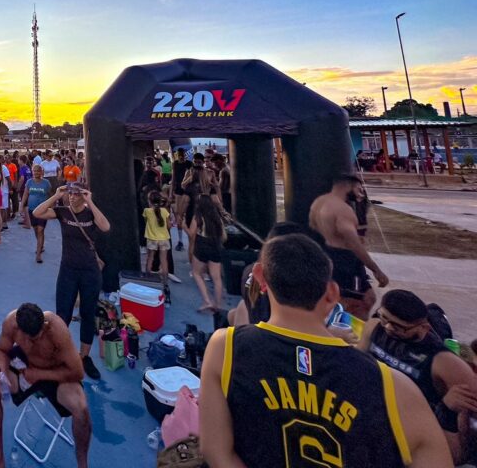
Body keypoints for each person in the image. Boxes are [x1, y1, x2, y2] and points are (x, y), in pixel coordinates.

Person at [199, 233, 451, 468]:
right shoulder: (394, 387)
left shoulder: (224, 348)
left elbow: (215, 451)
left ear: (260, 278)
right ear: (332, 294)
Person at [359, 290, 477, 464]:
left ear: (424, 327)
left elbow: (457, 454)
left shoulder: (446, 364)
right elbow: (358, 371)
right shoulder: (374, 327)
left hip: (417, 429)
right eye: (384, 318)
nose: (389, 328)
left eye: (399, 327)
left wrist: (445, 410)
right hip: (375, 417)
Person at [0, 303, 92, 468]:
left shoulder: (56, 329)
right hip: (25, 366)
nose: (34, 341)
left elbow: (78, 372)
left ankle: (83, 466)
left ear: (44, 325)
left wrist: (39, 374)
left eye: (38, 337)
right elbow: (1, 350)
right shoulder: (11, 322)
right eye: (30, 339)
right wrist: (2, 373)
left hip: (56, 372)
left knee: (81, 408)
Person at [31, 182, 110, 380]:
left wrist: (90, 201)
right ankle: (59, 353)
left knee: (88, 314)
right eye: (70, 194)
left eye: (76, 194)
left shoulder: (90, 213)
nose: (72, 197)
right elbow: (37, 213)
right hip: (68, 270)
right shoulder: (63, 212)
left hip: (90, 271)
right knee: (62, 315)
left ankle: (84, 357)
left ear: (83, 195)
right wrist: (56, 196)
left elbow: (105, 226)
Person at [309, 174, 388, 319]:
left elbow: (313, 227)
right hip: (346, 261)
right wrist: (376, 270)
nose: (361, 191)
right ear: (348, 185)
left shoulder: (319, 203)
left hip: (330, 253)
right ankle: (351, 329)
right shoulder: (343, 210)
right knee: (358, 302)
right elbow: (355, 244)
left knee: (367, 298)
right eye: (358, 187)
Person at [190, 193, 227, 313]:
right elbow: (224, 236)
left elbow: (191, 233)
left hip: (202, 245)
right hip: (215, 245)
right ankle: (218, 304)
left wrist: (184, 226)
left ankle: (207, 300)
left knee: (196, 273)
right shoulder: (217, 217)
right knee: (216, 278)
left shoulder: (198, 217)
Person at [19, 164, 52, 263]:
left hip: (43, 210)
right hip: (32, 210)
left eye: (38, 171)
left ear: (41, 172)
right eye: (34, 171)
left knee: (40, 230)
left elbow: (50, 195)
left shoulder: (46, 183)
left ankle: (38, 254)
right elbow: (25, 194)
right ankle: (41, 245)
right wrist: (21, 205)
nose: (36, 172)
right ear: (32, 172)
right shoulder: (29, 182)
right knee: (36, 229)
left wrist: (52, 207)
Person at [142, 191, 172, 295]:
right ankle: (165, 283)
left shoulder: (147, 211)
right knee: (164, 261)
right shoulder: (164, 211)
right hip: (164, 238)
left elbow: (146, 222)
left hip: (152, 238)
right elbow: (169, 226)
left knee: (150, 258)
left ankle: (148, 279)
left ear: (149, 201)